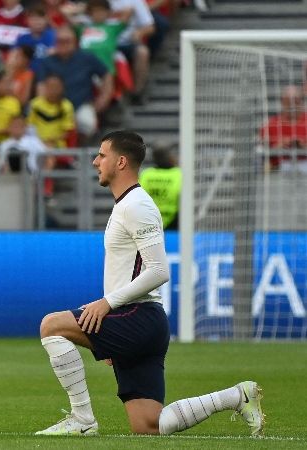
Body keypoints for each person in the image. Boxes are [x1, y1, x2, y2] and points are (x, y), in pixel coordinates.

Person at [35, 130, 264, 437]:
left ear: (120, 161)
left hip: (136, 318)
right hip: (139, 322)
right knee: (148, 426)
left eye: (101, 155)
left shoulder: (137, 206)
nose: (95, 162)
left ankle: (82, 419)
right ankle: (236, 395)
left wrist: (107, 305)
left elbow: (159, 271)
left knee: (51, 325)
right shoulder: (127, 204)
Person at [36, 26, 112, 139]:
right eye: (60, 41)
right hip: (55, 106)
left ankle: (81, 151)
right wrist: (43, 106)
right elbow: (41, 85)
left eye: (67, 41)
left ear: (75, 42)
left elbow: (106, 75)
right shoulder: (47, 61)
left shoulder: (87, 58)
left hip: (80, 105)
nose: (63, 44)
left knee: (87, 124)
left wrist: (104, 98)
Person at [139, 145, 180, 230]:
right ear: (169, 157)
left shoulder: (146, 174)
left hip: (149, 222)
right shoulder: (178, 174)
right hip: (174, 223)